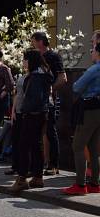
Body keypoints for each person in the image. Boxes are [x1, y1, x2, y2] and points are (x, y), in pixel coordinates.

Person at [10, 50, 51, 192]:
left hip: (32, 114)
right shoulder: (45, 73)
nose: (23, 62)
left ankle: (22, 179)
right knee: (36, 144)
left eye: (25, 60)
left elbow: (35, 98)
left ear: (30, 61)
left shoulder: (35, 77)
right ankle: (38, 177)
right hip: (42, 113)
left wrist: (26, 110)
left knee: (24, 145)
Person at [62, 43, 100, 195]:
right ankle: (95, 183)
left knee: (78, 145)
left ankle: (80, 184)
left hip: (89, 109)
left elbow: (76, 87)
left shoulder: (94, 69)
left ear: (98, 52)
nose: (91, 52)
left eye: (92, 50)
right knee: (94, 149)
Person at [31, 32, 66, 176]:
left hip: (49, 100)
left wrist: (51, 89)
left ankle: (53, 165)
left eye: (33, 41)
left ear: (40, 41)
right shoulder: (35, 56)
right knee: (37, 132)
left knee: (51, 131)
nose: (32, 43)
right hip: (35, 100)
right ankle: (37, 164)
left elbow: (62, 78)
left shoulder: (53, 56)